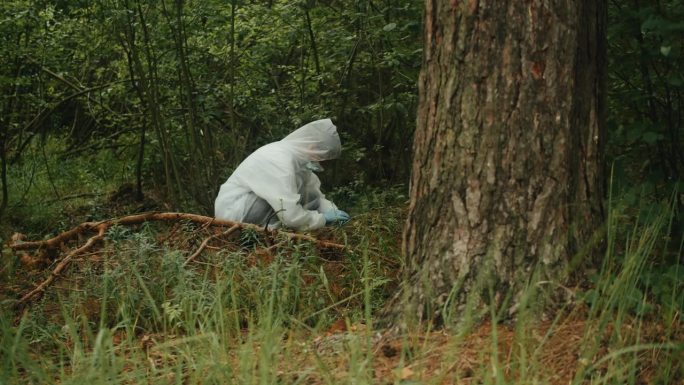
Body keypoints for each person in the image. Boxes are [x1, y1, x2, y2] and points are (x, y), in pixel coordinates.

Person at [214, 118, 350, 230]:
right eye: (324, 160)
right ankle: (254, 239)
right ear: (313, 148)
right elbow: (290, 215)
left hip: (247, 210)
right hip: (233, 215)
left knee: (305, 198)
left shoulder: (301, 167)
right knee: (286, 206)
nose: (324, 166)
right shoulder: (280, 160)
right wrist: (323, 219)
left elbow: (316, 199)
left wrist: (334, 212)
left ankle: (268, 237)